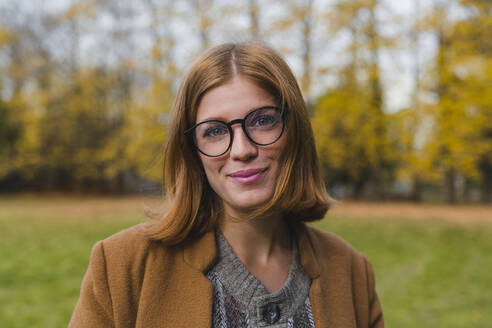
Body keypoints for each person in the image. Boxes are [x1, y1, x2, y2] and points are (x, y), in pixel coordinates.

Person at [69, 41, 383, 328]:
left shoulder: (352, 272)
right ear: (193, 150)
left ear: (295, 130)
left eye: (262, 120)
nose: (242, 150)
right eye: (215, 131)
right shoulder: (122, 267)